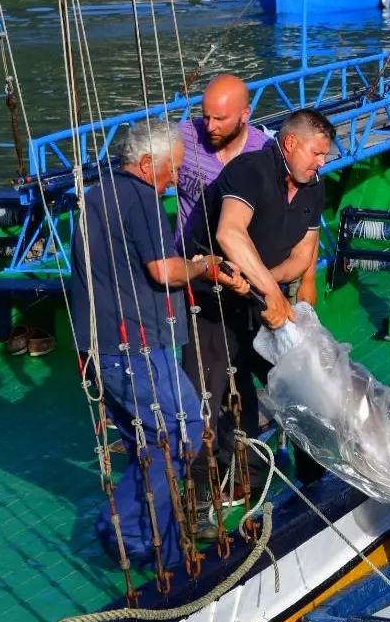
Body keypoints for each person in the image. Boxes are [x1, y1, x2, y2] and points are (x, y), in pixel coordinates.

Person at [70, 117, 247, 570]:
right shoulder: (142, 198)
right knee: (182, 433)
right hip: (138, 348)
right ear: (148, 164)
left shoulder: (93, 197)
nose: (172, 183)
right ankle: (124, 529)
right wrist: (203, 266)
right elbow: (163, 271)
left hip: (100, 347)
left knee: (150, 442)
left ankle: (161, 548)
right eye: (171, 171)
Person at [183, 107, 335, 486]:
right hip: (214, 298)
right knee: (208, 397)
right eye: (316, 153)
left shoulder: (313, 186)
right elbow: (229, 234)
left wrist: (271, 288)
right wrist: (270, 291)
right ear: (290, 143)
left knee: (300, 384)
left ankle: (315, 474)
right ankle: (201, 496)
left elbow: (303, 254)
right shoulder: (249, 171)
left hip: (263, 300)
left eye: (325, 156)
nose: (321, 163)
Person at [175, 73, 270, 250]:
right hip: (188, 263)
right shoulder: (183, 137)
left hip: (238, 265)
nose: (210, 127)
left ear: (244, 115)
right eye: (205, 116)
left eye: (220, 119)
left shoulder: (265, 153)